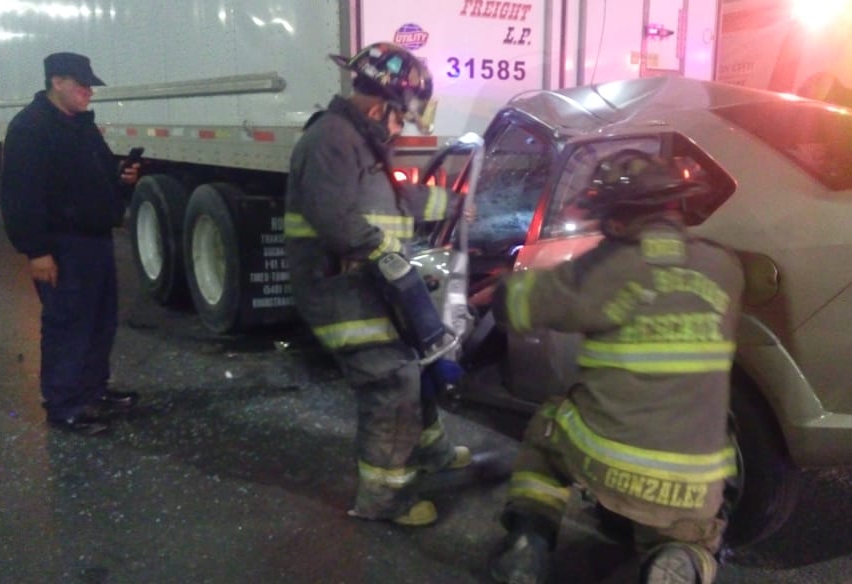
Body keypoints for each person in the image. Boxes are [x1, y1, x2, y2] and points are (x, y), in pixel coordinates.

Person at [487, 150, 745, 584]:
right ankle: (678, 558)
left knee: (547, 430)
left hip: (609, 461)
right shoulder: (725, 268)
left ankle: (527, 542)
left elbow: (521, 303)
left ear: (618, 220)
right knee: (692, 533)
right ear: (675, 206)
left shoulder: (608, 266)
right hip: (695, 481)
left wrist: (497, 288)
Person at [282, 42, 471, 527]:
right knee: (392, 379)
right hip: (337, 291)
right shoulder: (330, 140)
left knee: (416, 360)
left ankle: (432, 451)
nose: (400, 127)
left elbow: (391, 200)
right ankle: (383, 500)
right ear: (380, 105)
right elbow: (337, 221)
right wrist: (385, 256)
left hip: (364, 283)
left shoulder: (358, 141)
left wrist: (448, 205)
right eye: (399, 117)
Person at [0, 52, 141, 436]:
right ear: (57, 82)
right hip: (62, 245)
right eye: (82, 84)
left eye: (90, 85)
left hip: (94, 239)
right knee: (68, 324)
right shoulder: (31, 128)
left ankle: (93, 390)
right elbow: (20, 195)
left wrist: (119, 179)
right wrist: (37, 251)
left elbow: (94, 177)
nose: (89, 91)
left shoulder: (80, 126)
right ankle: (64, 405)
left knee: (98, 321)